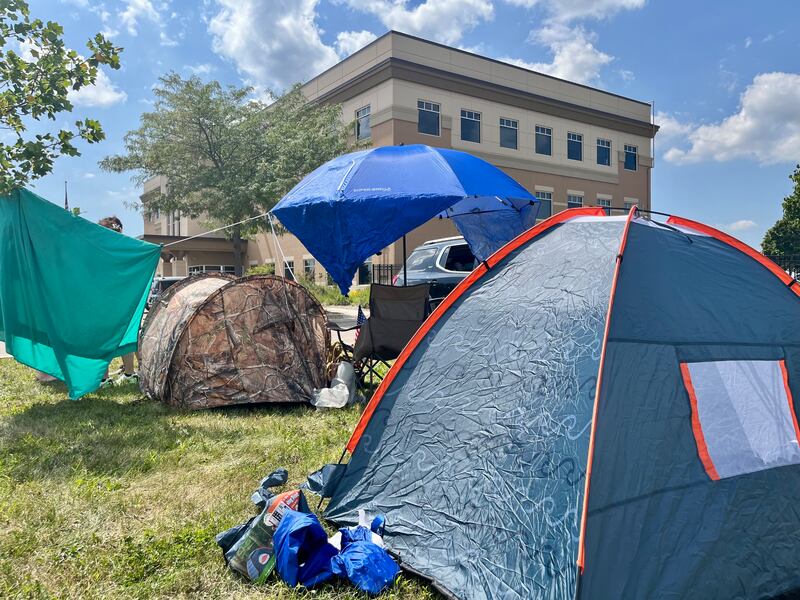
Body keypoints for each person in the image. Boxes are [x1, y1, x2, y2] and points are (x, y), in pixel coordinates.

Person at [98, 216, 138, 386]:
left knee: (105, 337)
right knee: (124, 336)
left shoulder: (101, 248)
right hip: (119, 300)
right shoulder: (126, 248)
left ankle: (107, 378)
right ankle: (128, 374)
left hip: (112, 301)